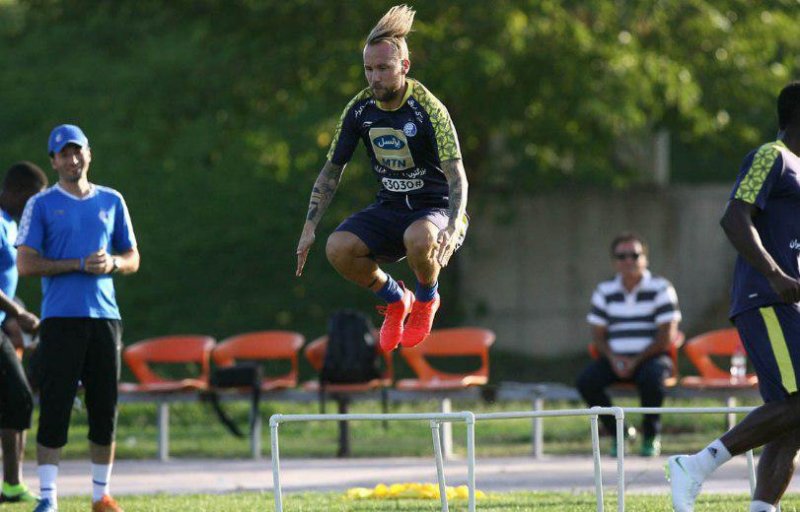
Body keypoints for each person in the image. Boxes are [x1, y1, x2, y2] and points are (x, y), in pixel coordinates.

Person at [295, 4, 469, 352]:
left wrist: (452, 225)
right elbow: (331, 171)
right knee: (337, 248)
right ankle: (396, 299)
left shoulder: (429, 109)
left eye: (384, 68)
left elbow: (457, 177)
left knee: (418, 237)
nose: (375, 78)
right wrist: (310, 226)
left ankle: (426, 299)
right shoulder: (359, 110)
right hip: (390, 207)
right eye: (369, 69)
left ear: (404, 66)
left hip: (435, 210)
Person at [668, 82, 800, 512]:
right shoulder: (770, 156)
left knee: (790, 419)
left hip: (788, 302)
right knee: (797, 404)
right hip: (767, 298)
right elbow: (734, 217)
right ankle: (694, 465)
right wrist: (775, 274)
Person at [16, 125, 140, 512]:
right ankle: (48, 498)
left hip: (105, 317)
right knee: (55, 405)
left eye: (77, 151)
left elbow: (132, 257)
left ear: (89, 153)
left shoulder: (112, 200)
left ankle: (100, 495)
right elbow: (26, 264)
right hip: (60, 319)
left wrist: (113, 263)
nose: (72, 160)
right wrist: (77, 264)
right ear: (53, 161)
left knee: (105, 407)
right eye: (63, 154)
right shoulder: (41, 204)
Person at [576, 232, 681, 457]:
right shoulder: (604, 291)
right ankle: (620, 433)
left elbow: (666, 336)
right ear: (614, 262)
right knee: (586, 381)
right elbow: (598, 335)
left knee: (652, 378)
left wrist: (636, 360)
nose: (628, 260)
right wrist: (614, 359)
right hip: (615, 359)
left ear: (645, 258)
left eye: (634, 255)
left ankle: (651, 436)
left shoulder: (661, 288)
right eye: (621, 256)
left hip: (652, 358)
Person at [0, 162, 48, 503]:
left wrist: (12, 315)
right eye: (32, 200)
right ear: (14, 192)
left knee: (16, 399)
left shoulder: (10, 222)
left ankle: (13, 485)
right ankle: (12, 484)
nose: (34, 207)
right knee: (17, 396)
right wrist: (19, 313)